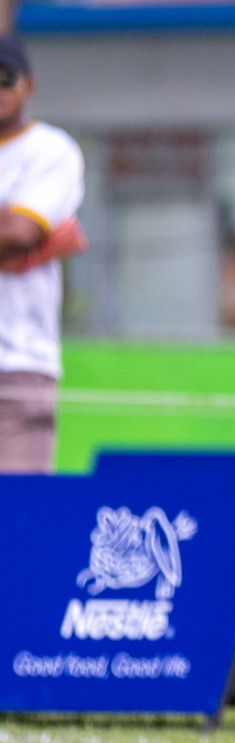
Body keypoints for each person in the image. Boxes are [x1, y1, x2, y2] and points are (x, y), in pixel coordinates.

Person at [0, 35, 86, 474]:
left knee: (16, 518)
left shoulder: (51, 151)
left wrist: (24, 243)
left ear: (28, 87)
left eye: (4, 79)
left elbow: (18, 232)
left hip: (19, 364)